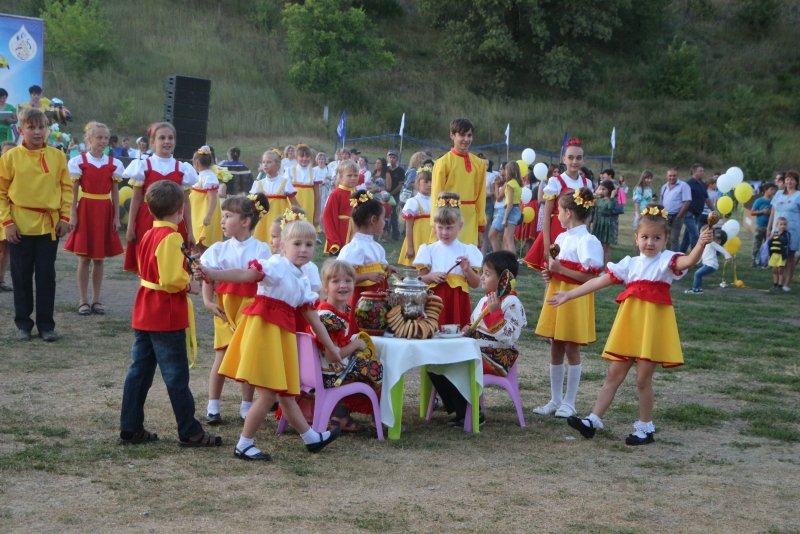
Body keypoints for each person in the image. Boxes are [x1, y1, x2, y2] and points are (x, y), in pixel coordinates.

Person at [549, 206, 713, 446]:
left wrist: (700, 244)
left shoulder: (668, 261)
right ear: (636, 238)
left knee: (642, 380)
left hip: (652, 327)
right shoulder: (629, 264)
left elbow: (690, 260)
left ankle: (645, 428)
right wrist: (569, 296)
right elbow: (599, 282)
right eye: (645, 237)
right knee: (613, 374)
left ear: (665, 239)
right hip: (630, 325)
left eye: (657, 238)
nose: (650, 243)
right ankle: (593, 420)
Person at [194, 219, 343, 460]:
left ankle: (311, 438)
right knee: (267, 396)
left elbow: (314, 320)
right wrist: (212, 273)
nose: (304, 249)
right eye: (297, 243)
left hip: (281, 338)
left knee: (284, 394)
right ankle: (244, 444)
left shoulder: (303, 281)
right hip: (264, 335)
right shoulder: (275, 266)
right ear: (283, 246)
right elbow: (245, 274)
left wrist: (332, 349)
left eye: (309, 244)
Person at [119, 180, 222, 448]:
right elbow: (169, 279)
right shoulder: (171, 236)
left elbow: (153, 269)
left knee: (139, 372)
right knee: (176, 375)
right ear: (179, 210)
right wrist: (189, 284)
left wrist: (187, 270)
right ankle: (190, 431)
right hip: (164, 312)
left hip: (145, 309)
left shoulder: (148, 234)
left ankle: (130, 427)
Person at [428, 250, 526, 428]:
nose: (481, 277)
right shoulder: (484, 300)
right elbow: (475, 325)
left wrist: (495, 312)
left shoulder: (511, 303)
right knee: (434, 364)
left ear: (504, 280)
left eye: (487, 274)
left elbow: (509, 338)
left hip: (498, 357)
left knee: (455, 363)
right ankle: (461, 409)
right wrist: (469, 330)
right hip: (478, 352)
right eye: (483, 272)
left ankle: (473, 414)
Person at [199, 194, 272, 425]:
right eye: (223, 215)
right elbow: (207, 278)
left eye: (228, 216)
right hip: (224, 308)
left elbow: (259, 278)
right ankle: (213, 405)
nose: (222, 220)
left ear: (245, 221)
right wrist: (208, 302)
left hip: (250, 308)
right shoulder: (219, 249)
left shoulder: (261, 249)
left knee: (247, 355)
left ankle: (246, 406)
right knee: (221, 355)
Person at [0, 108, 72, 341]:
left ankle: (46, 325)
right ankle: (23, 324)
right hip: (19, 226)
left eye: (41, 127)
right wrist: (7, 223)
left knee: (45, 277)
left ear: (47, 129)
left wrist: (64, 217)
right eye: (31, 127)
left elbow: (66, 189)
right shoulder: (9, 158)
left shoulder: (58, 156)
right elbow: (1, 192)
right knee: (20, 276)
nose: (37, 132)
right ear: (21, 130)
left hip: (48, 226)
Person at [532, 188, 604, 419]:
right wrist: (551, 275)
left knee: (571, 347)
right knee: (555, 345)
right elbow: (559, 269)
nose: (558, 216)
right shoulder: (562, 238)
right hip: (558, 293)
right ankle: (555, 399)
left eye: (560, 212)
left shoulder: (587, 240)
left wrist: (561, 269)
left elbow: (591, 278)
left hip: (574, 297)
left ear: (569, 213)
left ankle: (570, 402)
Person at [309, 259, 383, 432]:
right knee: (377, 369)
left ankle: (341, 415)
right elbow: (333, 355)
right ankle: (381, 420)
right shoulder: (328, 317)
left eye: (348, 280)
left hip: (330, 369)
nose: (343, 285)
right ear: (325, 286)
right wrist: (356, 344)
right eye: (336, 281)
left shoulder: (340, 310)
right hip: (331, 374)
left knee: (369, 362)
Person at [63, 121, 124, 316]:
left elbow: (115, 193)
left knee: (99, 258)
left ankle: (96, 299)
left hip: (104, 210)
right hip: (86, 209)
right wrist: (73, 214)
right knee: (84, 258)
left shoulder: (113, 164)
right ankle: (83, 299)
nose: (103, 141)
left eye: (106, 138)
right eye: (99, 137)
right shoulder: (79, 162)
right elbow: (72, 193)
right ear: (89, 139)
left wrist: (116, 217)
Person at [123, 122, 198, 272]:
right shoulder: (144, 166)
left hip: (175, 220)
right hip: (147, 218)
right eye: (162, 138)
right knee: (148, 263)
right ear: (153, 141)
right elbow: (136, 199)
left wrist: (190, 231)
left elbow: (186, 203)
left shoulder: (182, 168)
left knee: (172, 262)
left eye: (170, 138)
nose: (167, 141)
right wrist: (131, 227)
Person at [414, 192, 482, 328]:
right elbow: (419, 280)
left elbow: (475, 284)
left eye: (449, 228)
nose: (444, 232)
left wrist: (467, 269)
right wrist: (431, 276)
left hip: (457, 302)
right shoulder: (429, 250)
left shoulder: (467, 251)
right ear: (434, 227)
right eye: (440, 227)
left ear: (460, 226)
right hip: (434, 302)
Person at [524, 140, 593, 270]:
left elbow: (587, 216)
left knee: (573, 270)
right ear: (564, 159)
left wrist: (587, 237)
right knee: (552, 273)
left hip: (579, 233)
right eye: (571, 157)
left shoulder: (587, 183)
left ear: (583, 160)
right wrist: (546, 243)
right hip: (557, 231)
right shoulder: (555, 181)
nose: (574, 162)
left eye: (578, 158)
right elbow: (546, 215)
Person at [337, 190, 396, 325]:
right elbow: (341, 278)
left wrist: (387, 268)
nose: (384, 222)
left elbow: (377, 265)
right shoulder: (354, 249)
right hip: (360, 303)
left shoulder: (377, 247)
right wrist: (366, 276)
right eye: (382, 218)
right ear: (373, 220)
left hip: (378, 301)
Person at [430, 118, 487, 248]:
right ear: (452, 135)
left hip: (471, 219)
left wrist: (481, 227)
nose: (466, 139)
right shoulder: (443, 162)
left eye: (469, 135)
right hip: (449, 218)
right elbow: (436, 196)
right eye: (462, 135)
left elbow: (480, 197)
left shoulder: (479, 164)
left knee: (468, 258)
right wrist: (435, 224)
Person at [250, 149, 299, 247]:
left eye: (269, 162)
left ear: (277, 164)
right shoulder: (259, 184)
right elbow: (252, 206)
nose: (265, 164)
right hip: (262, 221)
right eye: (263, 162)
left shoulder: (284, 183)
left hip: (279, 220)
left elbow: (294, 204)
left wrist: (297, 218)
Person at [766, 171, 800, 291]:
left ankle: (786, 284)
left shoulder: (798, 195)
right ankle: (777, 283)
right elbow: (773, 211)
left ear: (796, 182)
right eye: (787, 179)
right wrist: (769, 228)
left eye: (792, 179)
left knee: (790, 256)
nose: (789, 182)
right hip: (777, 230)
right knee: (776, 254)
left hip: (792, 230)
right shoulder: (779, 193)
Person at [188, 146, 221, 256]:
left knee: (203, 246)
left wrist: (209, 215)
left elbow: (212, 198)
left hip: (204, 215)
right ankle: (193, 269)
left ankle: (204, 269)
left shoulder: (209, 177)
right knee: (195, 244)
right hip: (196, 215)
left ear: (196, 163)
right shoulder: (199, 177)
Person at [398, 165, 432, 266]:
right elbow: (409, 226)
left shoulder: (436, 200)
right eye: (425, 182)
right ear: (418, 184)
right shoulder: (413, 202)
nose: (429, 185)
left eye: (431, 182)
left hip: (432, 237)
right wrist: (410, 247)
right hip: (419, 238)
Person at [322, 159, 358, 255]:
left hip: (355, 233)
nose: (353, 178)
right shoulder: (336, 194)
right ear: (341, 177)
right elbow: (327, 217)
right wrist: (333, 239)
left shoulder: (357, 192)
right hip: (341, 234)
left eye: (355, 175)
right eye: (349, 175)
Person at [285, 144, 322, 230]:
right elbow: (286, 191)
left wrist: (316, 215)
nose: (304, 159)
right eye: (301, 156)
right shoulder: (290, 170)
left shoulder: (314, 172)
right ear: (296, 158)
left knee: (307, 230)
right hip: (293, 204)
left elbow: (317, 195)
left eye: (307, 156)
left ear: (311, 158)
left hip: (309, 206)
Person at [680, 164, 716, 253]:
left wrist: (714, 211)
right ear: (694, 172)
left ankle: (680, 253)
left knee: (687, 236)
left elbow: (707, 199)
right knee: (695, 235)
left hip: (697, 214)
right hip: (689, 214)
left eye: (703, 171)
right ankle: (695, 258)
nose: (702, 173)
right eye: (700, 171)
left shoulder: (703, 185)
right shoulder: (688, 184)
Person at [684, 226, 731, 294]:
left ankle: (696, 289)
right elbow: (701, 255)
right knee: (698, 274)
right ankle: (697, 289)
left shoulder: (711, 243)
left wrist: (727, 256)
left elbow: (720, 248)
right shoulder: (704, 244)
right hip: (708, 264)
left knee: (697, 274)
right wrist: (694, 262)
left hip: (711, 265)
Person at [0, 141, 18, 292]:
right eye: (6, 153)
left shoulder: (18, 172)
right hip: (1, 211)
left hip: (12, 214)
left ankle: (1, 279)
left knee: (7, 247)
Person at [659, 168, 691, 253]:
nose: (672, 177)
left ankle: (675, 258)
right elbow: (661, 202)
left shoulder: (683, 186)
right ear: (667, 176)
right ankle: (668, 256)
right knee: (667, 237)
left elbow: (687, 201)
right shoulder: (664, 187)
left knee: (674, 238)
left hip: (677, 215)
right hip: (665, 216)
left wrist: (679, 215)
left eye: (674, 175)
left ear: (677, 176)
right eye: (670, 176)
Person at [515, 165, 540, 257]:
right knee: (531, 232)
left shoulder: (525, 188)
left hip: (526, 206)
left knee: (523, 229)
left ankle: (522, 252)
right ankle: (530, 254)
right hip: (535, 207)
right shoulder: (538, 186)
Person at [591, 180, 618, 265]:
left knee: (605, 247)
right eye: (601, 189)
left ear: (609, 189)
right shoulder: (600, 199)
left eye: (604, 189)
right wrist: (596, 193)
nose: (602, 191)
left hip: (606, 223)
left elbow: (610, 207)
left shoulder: (611, 200)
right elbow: (592, 203)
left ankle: (606, 267)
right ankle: (597, 265)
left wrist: (613, 195)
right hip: (598, 222)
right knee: (597, 245)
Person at [751, 182, 777, 266]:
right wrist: (762, 211)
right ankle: (754, 261)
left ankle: (765, 262)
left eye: (774, 189)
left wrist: (771, 212)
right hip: (760, 226)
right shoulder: (759, 200)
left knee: (768, 245)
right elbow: (752, 212)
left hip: (770, 227)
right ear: (766, 190)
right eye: (771, 189)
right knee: (757, 244)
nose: (773, 191)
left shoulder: (775, 201)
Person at [500, 161, 524, 253]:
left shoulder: (510, 184)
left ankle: (512, 261)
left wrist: (504, 218)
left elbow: (510, 202)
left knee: (508, 239)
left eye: (506, 169)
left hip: (512, 209)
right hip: (516, 209)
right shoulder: (517, 183)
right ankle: (508, 259)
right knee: (507, 239)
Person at [488, 163, 507, 255]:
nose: (499, 171)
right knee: (502, 236)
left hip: (502, 210)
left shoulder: (508, 183)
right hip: (498, 209)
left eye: (501, 169)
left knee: (491, 234)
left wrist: (496, 186)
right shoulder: (502, 182)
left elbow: (498, 198)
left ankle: (498, 256)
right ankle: (503, 256)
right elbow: (496, 198)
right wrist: (497, 185)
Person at [768, 218, 791, 292]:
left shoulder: (786, 234)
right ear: (777, 225)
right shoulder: (774, 233)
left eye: (784, 224)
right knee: (775, 270)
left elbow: (785, 241)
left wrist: (779, 235)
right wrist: (770, 238)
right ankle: (775, 284)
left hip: (781, 255)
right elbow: (769, 244)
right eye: (781, 224)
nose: (782, 226)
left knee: (780, 271)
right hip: (774, 255)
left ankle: (780, 285)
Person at [386, 150, 405, 240]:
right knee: (384, 214)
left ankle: (395, 235)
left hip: (395, 195)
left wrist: (391, 194)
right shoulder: (386, 170)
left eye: (394, 157)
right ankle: (385, 232)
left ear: (397, 159)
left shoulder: (400, 170)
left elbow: (400, 185)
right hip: (384, 195)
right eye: (390, 157)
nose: (392, 159)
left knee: (394, 215)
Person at [316, 151, 334, 219]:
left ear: (325, 160)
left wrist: (327, 177)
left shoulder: (329, 169)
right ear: (317, 160)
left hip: (326, 189)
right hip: (318, 189)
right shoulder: (314, 169)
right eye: (319, 159)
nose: (321, 161)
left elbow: (333, 178)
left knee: (326, 205)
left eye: (322, 159)